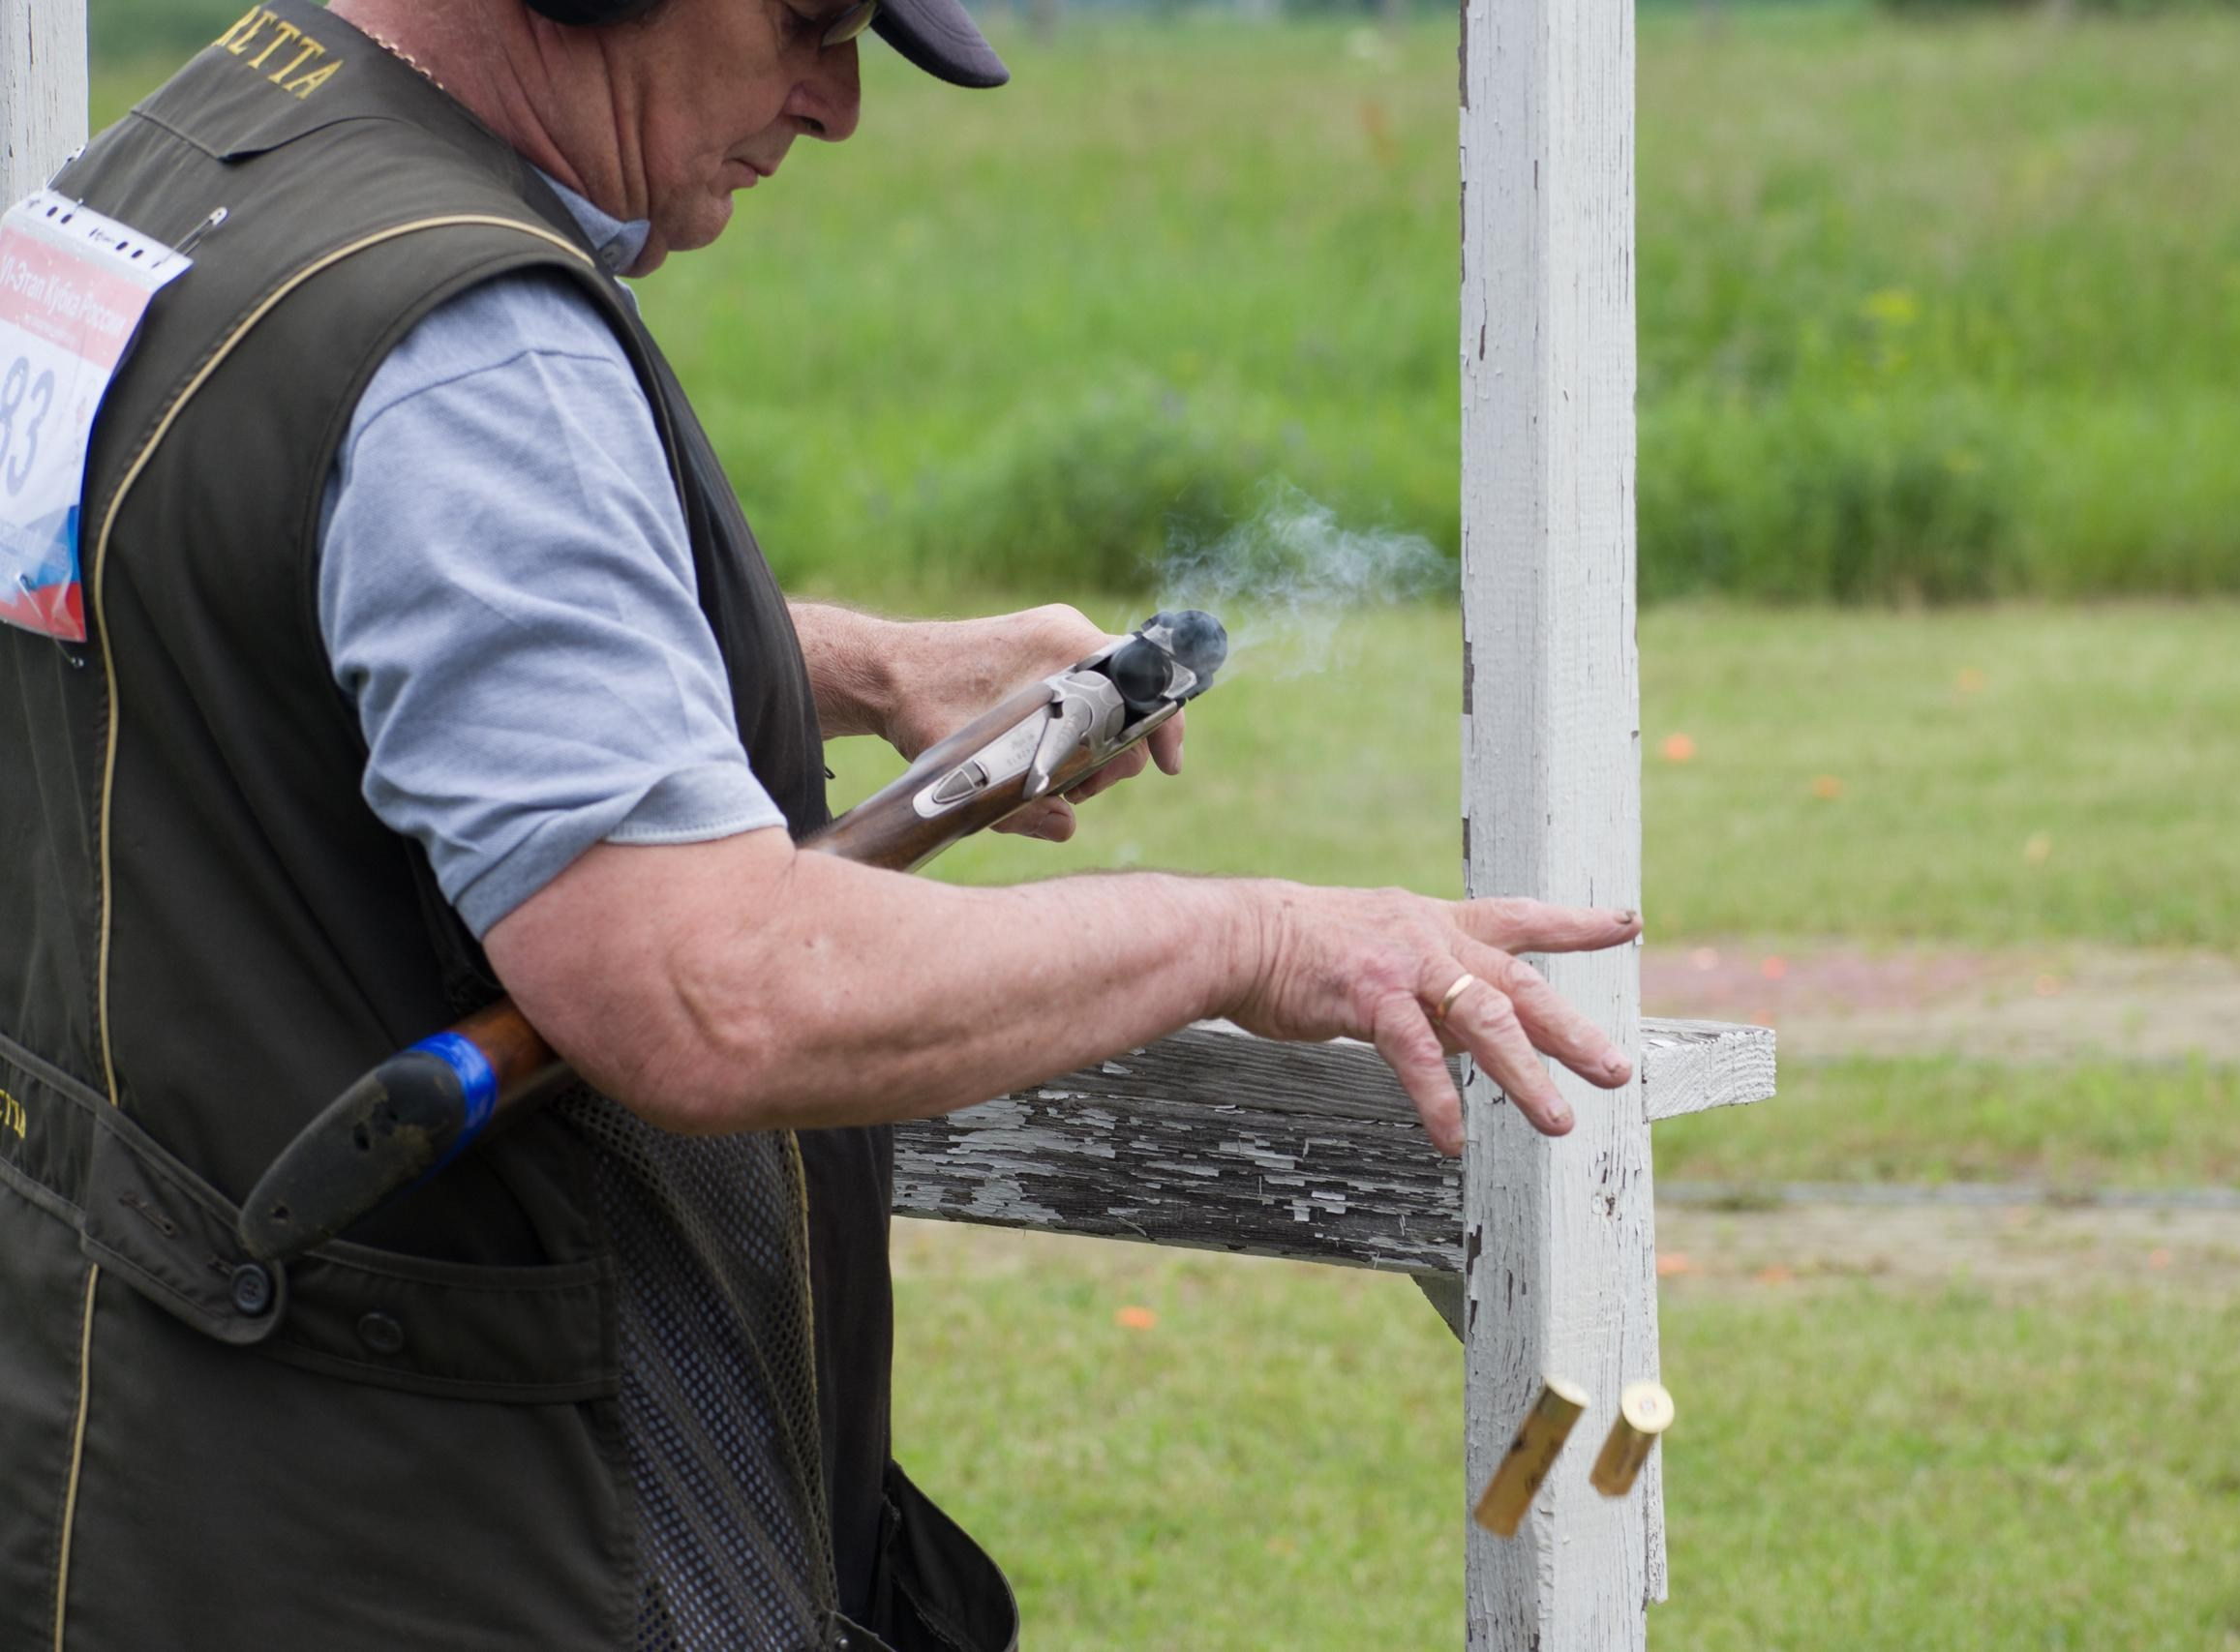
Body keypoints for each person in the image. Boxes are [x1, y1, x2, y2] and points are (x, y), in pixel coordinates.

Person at [0, 1, 1641, 1646]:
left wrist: (867, 669)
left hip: (134, 1454)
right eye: (807, 17)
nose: (839, 103)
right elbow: (714, 993)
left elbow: (305, 601)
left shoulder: (171, 177)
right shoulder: (471, 346)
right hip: (435, 1529)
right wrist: (1250, 932)